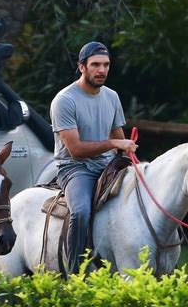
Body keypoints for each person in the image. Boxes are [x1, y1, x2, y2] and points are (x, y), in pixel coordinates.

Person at [50, 41, 137, 274]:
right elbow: (75, 150)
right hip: (75, 168)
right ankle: (74, 272)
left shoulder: (111, 97)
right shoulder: (64, 100)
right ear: (82, 67)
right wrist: (112, 143)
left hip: (107, 165)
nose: (102, 70)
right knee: (81, 211)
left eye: (106, 65)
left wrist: (128, 158)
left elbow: (120, 141)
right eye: (95, 65)